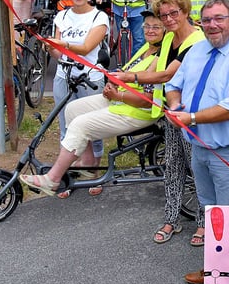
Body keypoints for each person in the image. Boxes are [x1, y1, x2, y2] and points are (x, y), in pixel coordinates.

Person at [167, 0, 229, 284]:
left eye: (219, 18)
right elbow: (173, 85)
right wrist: (174, 105)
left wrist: (191, 118)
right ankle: (220, 268)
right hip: (200, 146)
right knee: (211, 210)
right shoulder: (198, 51)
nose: (212, 25)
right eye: (207, 20)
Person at [18, 12, 167, 197]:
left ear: (165, 30)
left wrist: (118, 95)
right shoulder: (147, 47)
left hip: (138, 111)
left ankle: (53, 179)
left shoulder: (161, 57)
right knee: (72, 109)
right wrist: (113, 82)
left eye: (156, 27)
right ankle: (89, 166)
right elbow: (127, 72)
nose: (150, 30)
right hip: (121, 101)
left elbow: (147, 99)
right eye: (147, 26)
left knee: (80, 125)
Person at [125, 0, 205, 245]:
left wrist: (129, 77)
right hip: (171, 112)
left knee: (196, 168)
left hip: (192, 115)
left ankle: (204, 223)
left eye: (174, 13)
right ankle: (171, 218)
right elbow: (158, 71)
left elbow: (168, 74)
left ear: (185, 11)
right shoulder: (169, 38)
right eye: (164, 15)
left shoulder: (198, 39)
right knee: (172, 165)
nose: (169, 19)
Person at [49, 0, 109, 163]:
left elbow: (86, 48)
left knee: (92, 126)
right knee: (66, 125)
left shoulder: (99, 17)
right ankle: (69, 167)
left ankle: (94, 168)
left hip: (89, 80)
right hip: (63, 77)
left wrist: (64, 44)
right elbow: (57, 53)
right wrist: (50, 48)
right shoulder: (62, 16)